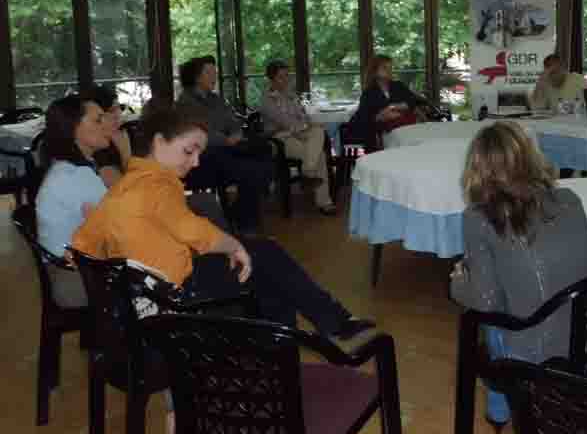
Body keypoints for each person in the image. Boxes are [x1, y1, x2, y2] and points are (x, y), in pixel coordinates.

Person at [70, 105, 374, 341]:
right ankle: (301, 338)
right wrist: (233, 246)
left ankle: (288, 342)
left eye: (198, 153)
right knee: (261, 259)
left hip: (142, 293)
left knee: (263, 262)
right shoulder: (154, 184)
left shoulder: (128, 183)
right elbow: (192, 230)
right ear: (158, 142)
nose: (196, 162)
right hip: (170, 296)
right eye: (189, 150)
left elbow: (83, 242)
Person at [450, 121, 587, 430]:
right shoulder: (570, 199)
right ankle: (500, 409)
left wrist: (457, 281)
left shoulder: (479, 218)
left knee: (490, 317)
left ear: (477, 168)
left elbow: (487, 301)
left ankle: (501, 410)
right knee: (509, 294)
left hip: (538, 353)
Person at [176, 56, 274, 233]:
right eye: (209, 72)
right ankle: (244, 221)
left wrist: (236, 132)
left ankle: (239, 211)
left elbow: (233, 121)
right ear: (197, 77)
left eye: (215, 72)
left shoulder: (216, 99)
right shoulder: (186, 101)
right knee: (251, 170)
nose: (214, 76)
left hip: (227, 148)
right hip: (203, 157)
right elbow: (199, 132)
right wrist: (226, 139)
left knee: (264, 150)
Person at [34, 95, 110, 306]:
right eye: (97, 120)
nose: (107, 124)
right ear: (73, 129)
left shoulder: (69, 167)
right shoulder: (75, 175)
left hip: (74, 271)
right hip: (76, 281)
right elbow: (121, 224)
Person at [258, 61, 336, 215]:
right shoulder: (267, 100)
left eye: (287, 76)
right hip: (281, 140)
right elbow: (283, 122)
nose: (286, 80)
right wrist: (301, 130)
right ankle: (324, 201)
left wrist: (305, 127)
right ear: (271, 79)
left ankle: (308, 172)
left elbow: (304, 116)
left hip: (300, 134)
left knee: (318, 130)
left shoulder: (292, 96)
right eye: (281, 77)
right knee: (319, 154)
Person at [348, 55, 426, 151]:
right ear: (375, 71)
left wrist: (397, 106)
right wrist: (380, 116)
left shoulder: (398, 86)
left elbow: (414, 101)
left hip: (406, 128)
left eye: (390, 68)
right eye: (385, 68)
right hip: (381, 133)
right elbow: (363, 117)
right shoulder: (369, 93)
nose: (389, 71)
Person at [82, 84, 132, 187]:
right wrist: (126, 154)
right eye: (111, 110)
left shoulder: (121, 138)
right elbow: (130, 193)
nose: (118, 115)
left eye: (119, 108)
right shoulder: (96, 151)